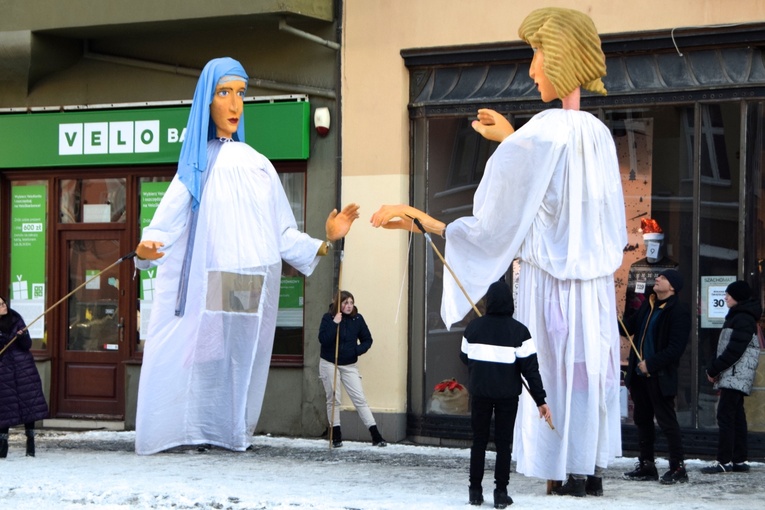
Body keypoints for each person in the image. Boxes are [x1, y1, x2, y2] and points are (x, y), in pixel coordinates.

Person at [371, 7, 626, 496]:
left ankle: (557, 472)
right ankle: (585, 470)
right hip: (591, 295)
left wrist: (421, 218)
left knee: (547, 369)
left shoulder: (546, 130)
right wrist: (514, 140)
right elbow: (559, 197)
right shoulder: (597, 135)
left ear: (564, 57)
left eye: (537, 54)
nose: (531, 69)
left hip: (549, 285)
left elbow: (498, 222)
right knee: (581, 379)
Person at [133, 57, 359, 455]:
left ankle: (229, 430)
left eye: (241, 94)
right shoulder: (196, 167)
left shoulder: (258, 166)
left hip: (242, 278)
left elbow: (282, 233)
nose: (235, 105)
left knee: (237, 358)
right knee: (197, 354)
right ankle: (191, 429)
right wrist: (146, 251)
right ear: (206, 102)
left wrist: (326, 240)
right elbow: (166, 223)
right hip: (205, 279)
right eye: (224, 93)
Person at [460, 279, 551, 508]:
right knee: (503, 444)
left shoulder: (473, 328)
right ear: (510, 302)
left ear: (489, 302)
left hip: (480, 392)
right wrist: (541, 400)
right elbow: (530, 369)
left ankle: (475, 491)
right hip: (507, 396)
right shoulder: (519, 331)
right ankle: (500, 493)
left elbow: (465, 357)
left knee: (478, 441)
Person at [620, 269, 691, 484]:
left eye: (663, 277)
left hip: (659, 375)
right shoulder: (648, 304)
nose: (657, 279)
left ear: (672, 286)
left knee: (667, 421)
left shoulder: (678, 311)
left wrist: (650, 363)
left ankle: (678, 467)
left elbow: (675, 348)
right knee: (642, 420)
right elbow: (627, 329)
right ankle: (647, 464)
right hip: (640, 375)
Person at [701, 280, 761, 474]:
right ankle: (738, 460)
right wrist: (714, 367)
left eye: (729, 294)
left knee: (726, 415)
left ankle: (724, 460)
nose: (725, 297)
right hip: (733, 374)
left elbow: (734, 350)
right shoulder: (739, 316)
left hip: (735, 374)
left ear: (739, 297)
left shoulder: (742, 318)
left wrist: (714, 369)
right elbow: (724, 348)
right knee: (736, 416)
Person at [318, 290, 387, 448]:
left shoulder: (357, 319)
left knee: (359, 398)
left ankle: (375, 435)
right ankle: (336, 436)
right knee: (334, 398)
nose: (349, 306)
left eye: (351, 302)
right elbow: (323, 339)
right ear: (338, 304)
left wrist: (355, 351)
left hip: (349, 364)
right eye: (345, 303)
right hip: (330, 362)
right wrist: (335, 323)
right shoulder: (328, 318)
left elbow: (367, 340)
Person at [0, 296, 49, 458]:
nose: (3, 306)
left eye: (3, 303)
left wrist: (23, 337)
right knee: (5, 407)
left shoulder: (16, 319)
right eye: (0, 305)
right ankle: (2, 446)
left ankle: (30, 444)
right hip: (4, 370)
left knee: (29, 404)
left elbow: (27, 346)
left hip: (23, 368)